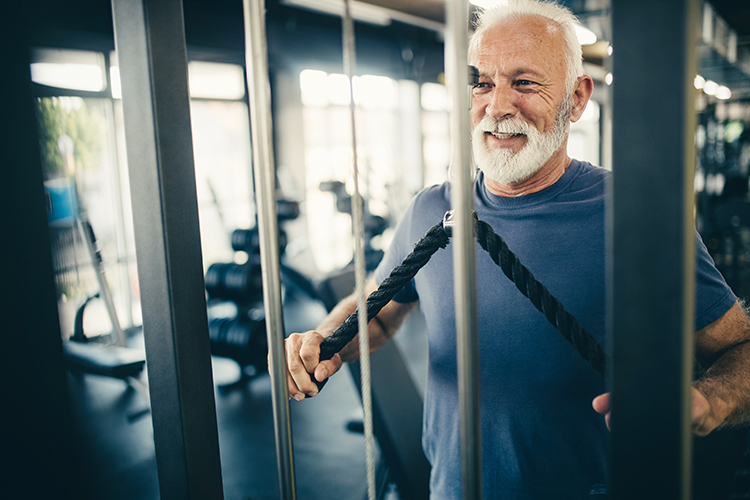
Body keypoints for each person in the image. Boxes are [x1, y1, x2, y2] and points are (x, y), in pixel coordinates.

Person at [284, 0, 750, 497]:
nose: (498, 105)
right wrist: (327, 339)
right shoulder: (431, 210)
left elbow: (741, 347)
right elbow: (378, 310)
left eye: (524, 82)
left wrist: (706, 401)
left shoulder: (637, 217)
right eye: (481, 83)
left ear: (576, 98)